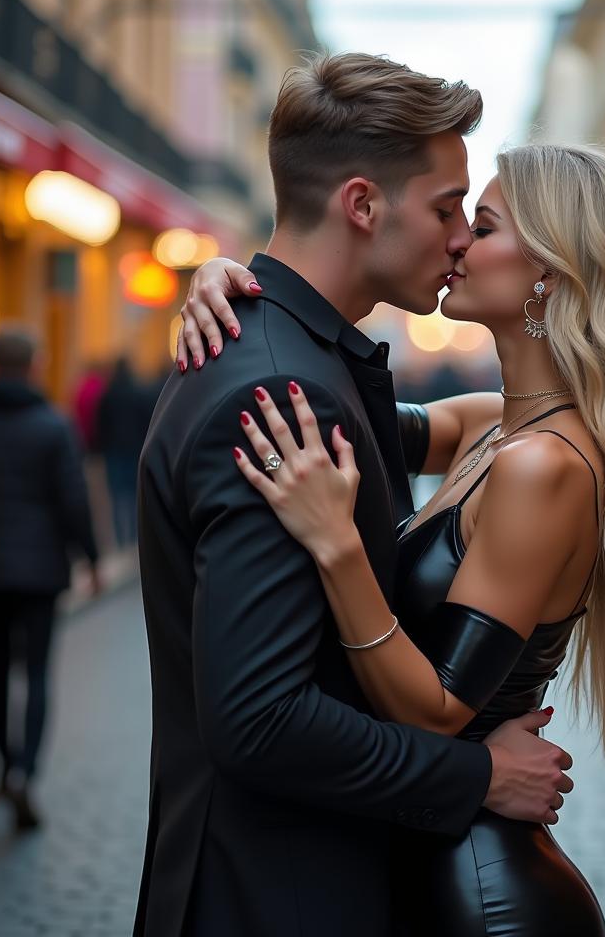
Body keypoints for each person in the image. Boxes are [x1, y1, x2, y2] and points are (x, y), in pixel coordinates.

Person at [179, 140, 605, 934]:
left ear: (550, 276)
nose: (457, 240)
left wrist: (340, 547)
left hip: (484, 894)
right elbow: (315, 406)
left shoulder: (545, 467)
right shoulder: (489, 424)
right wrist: (240, 289)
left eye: (483, 226)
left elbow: (436, 712)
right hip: (420, 860)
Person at [134, 54, 577, 937]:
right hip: (275, 896)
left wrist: (235, 273)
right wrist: (477, 778)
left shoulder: (313, 361)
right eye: (449, 207)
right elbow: (259, 720)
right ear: (364, 205)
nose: (459, 236)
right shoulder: (279, 395)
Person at [0, 328, 100, 829]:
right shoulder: (53, 425)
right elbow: (73, 500)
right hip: (40, 568)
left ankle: (4, 765)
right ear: (33, 366)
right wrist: (91, 558)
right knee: (36, 673)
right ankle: (26, 773)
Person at [96, 356, 150, 547]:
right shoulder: (138, 393)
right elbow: (146, 421)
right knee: (134, 494)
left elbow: (101, 423)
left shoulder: (108, 394)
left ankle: (121, 538)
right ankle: (134, 537)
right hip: (135, 448)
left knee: (117, 496)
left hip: (114, 449)